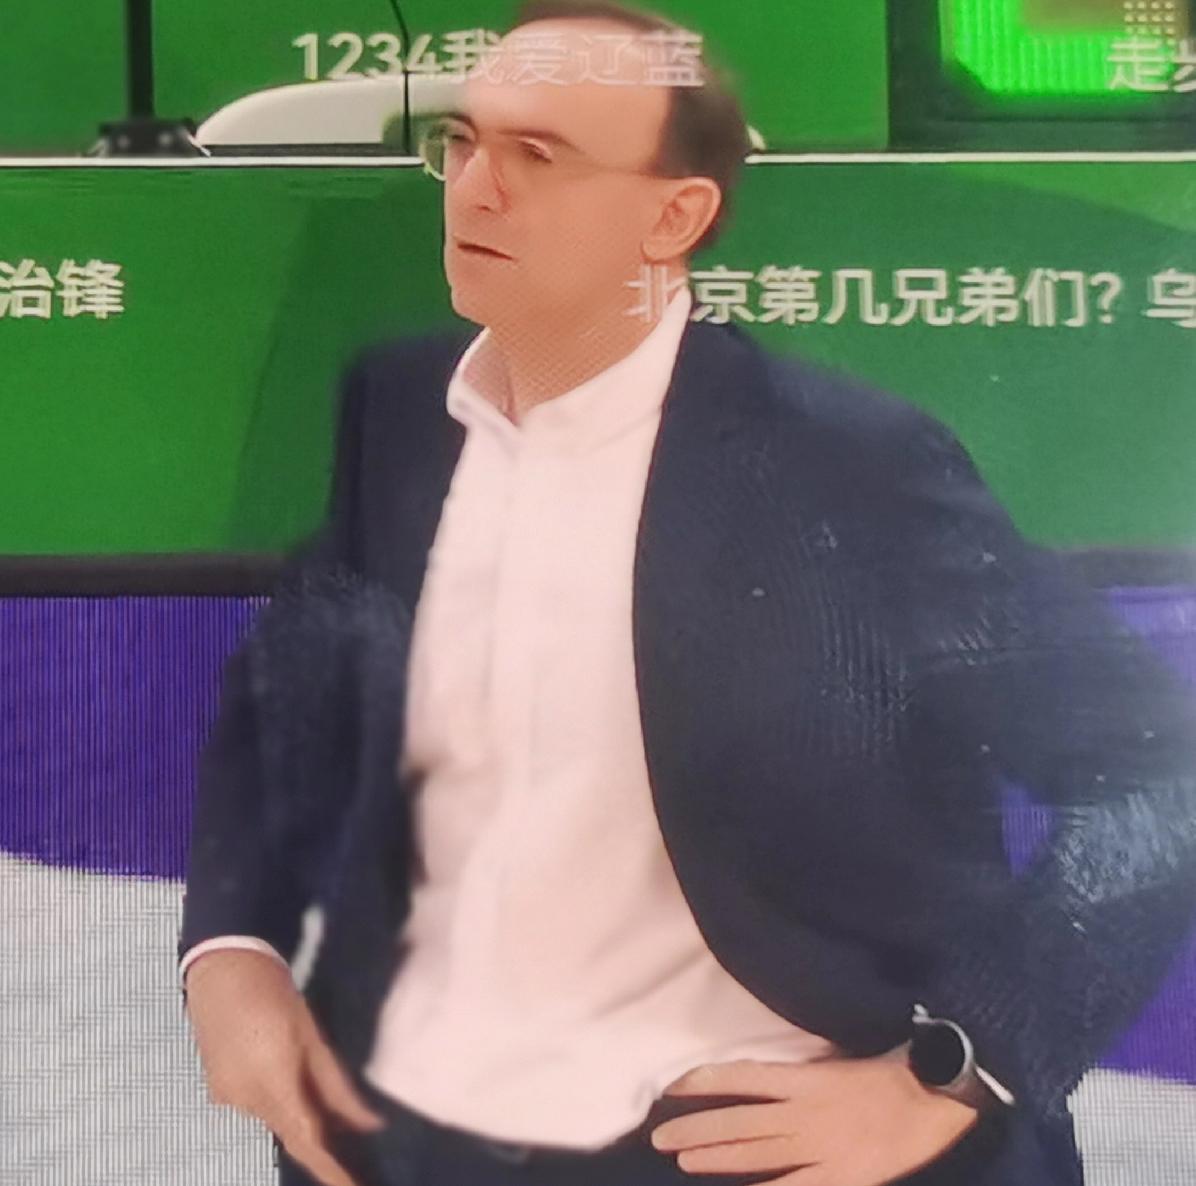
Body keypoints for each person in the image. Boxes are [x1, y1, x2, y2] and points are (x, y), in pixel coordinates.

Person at [177, 4, 1196, 1186]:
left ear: (674, 215)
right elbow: (293, 681)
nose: (472, 190)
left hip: (737, 1140)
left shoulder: (844, 469)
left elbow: (1155, 779)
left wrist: (953, 1073)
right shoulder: (397, 414)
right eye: (459, 143)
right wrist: (231, 945)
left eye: (537, 156)